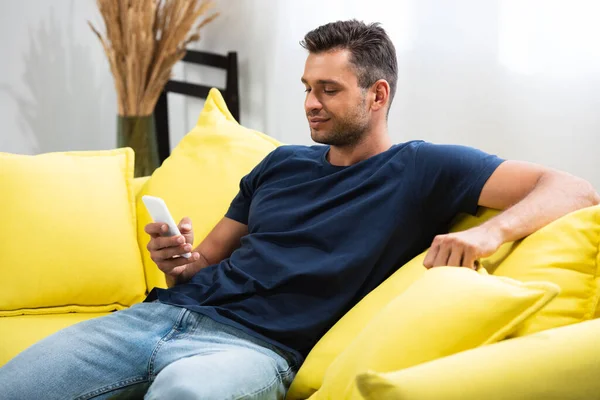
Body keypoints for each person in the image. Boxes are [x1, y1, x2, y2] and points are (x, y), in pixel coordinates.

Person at [1, 20, 598, 400]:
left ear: (378, 94)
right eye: (306, 87)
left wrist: (491, 233)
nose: (310, 104)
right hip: (152, 319)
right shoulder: (281, 163)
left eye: (328, 90)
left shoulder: (424, 167)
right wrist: (174, 259)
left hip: (251, 349)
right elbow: (199, 263)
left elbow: (573, 188)